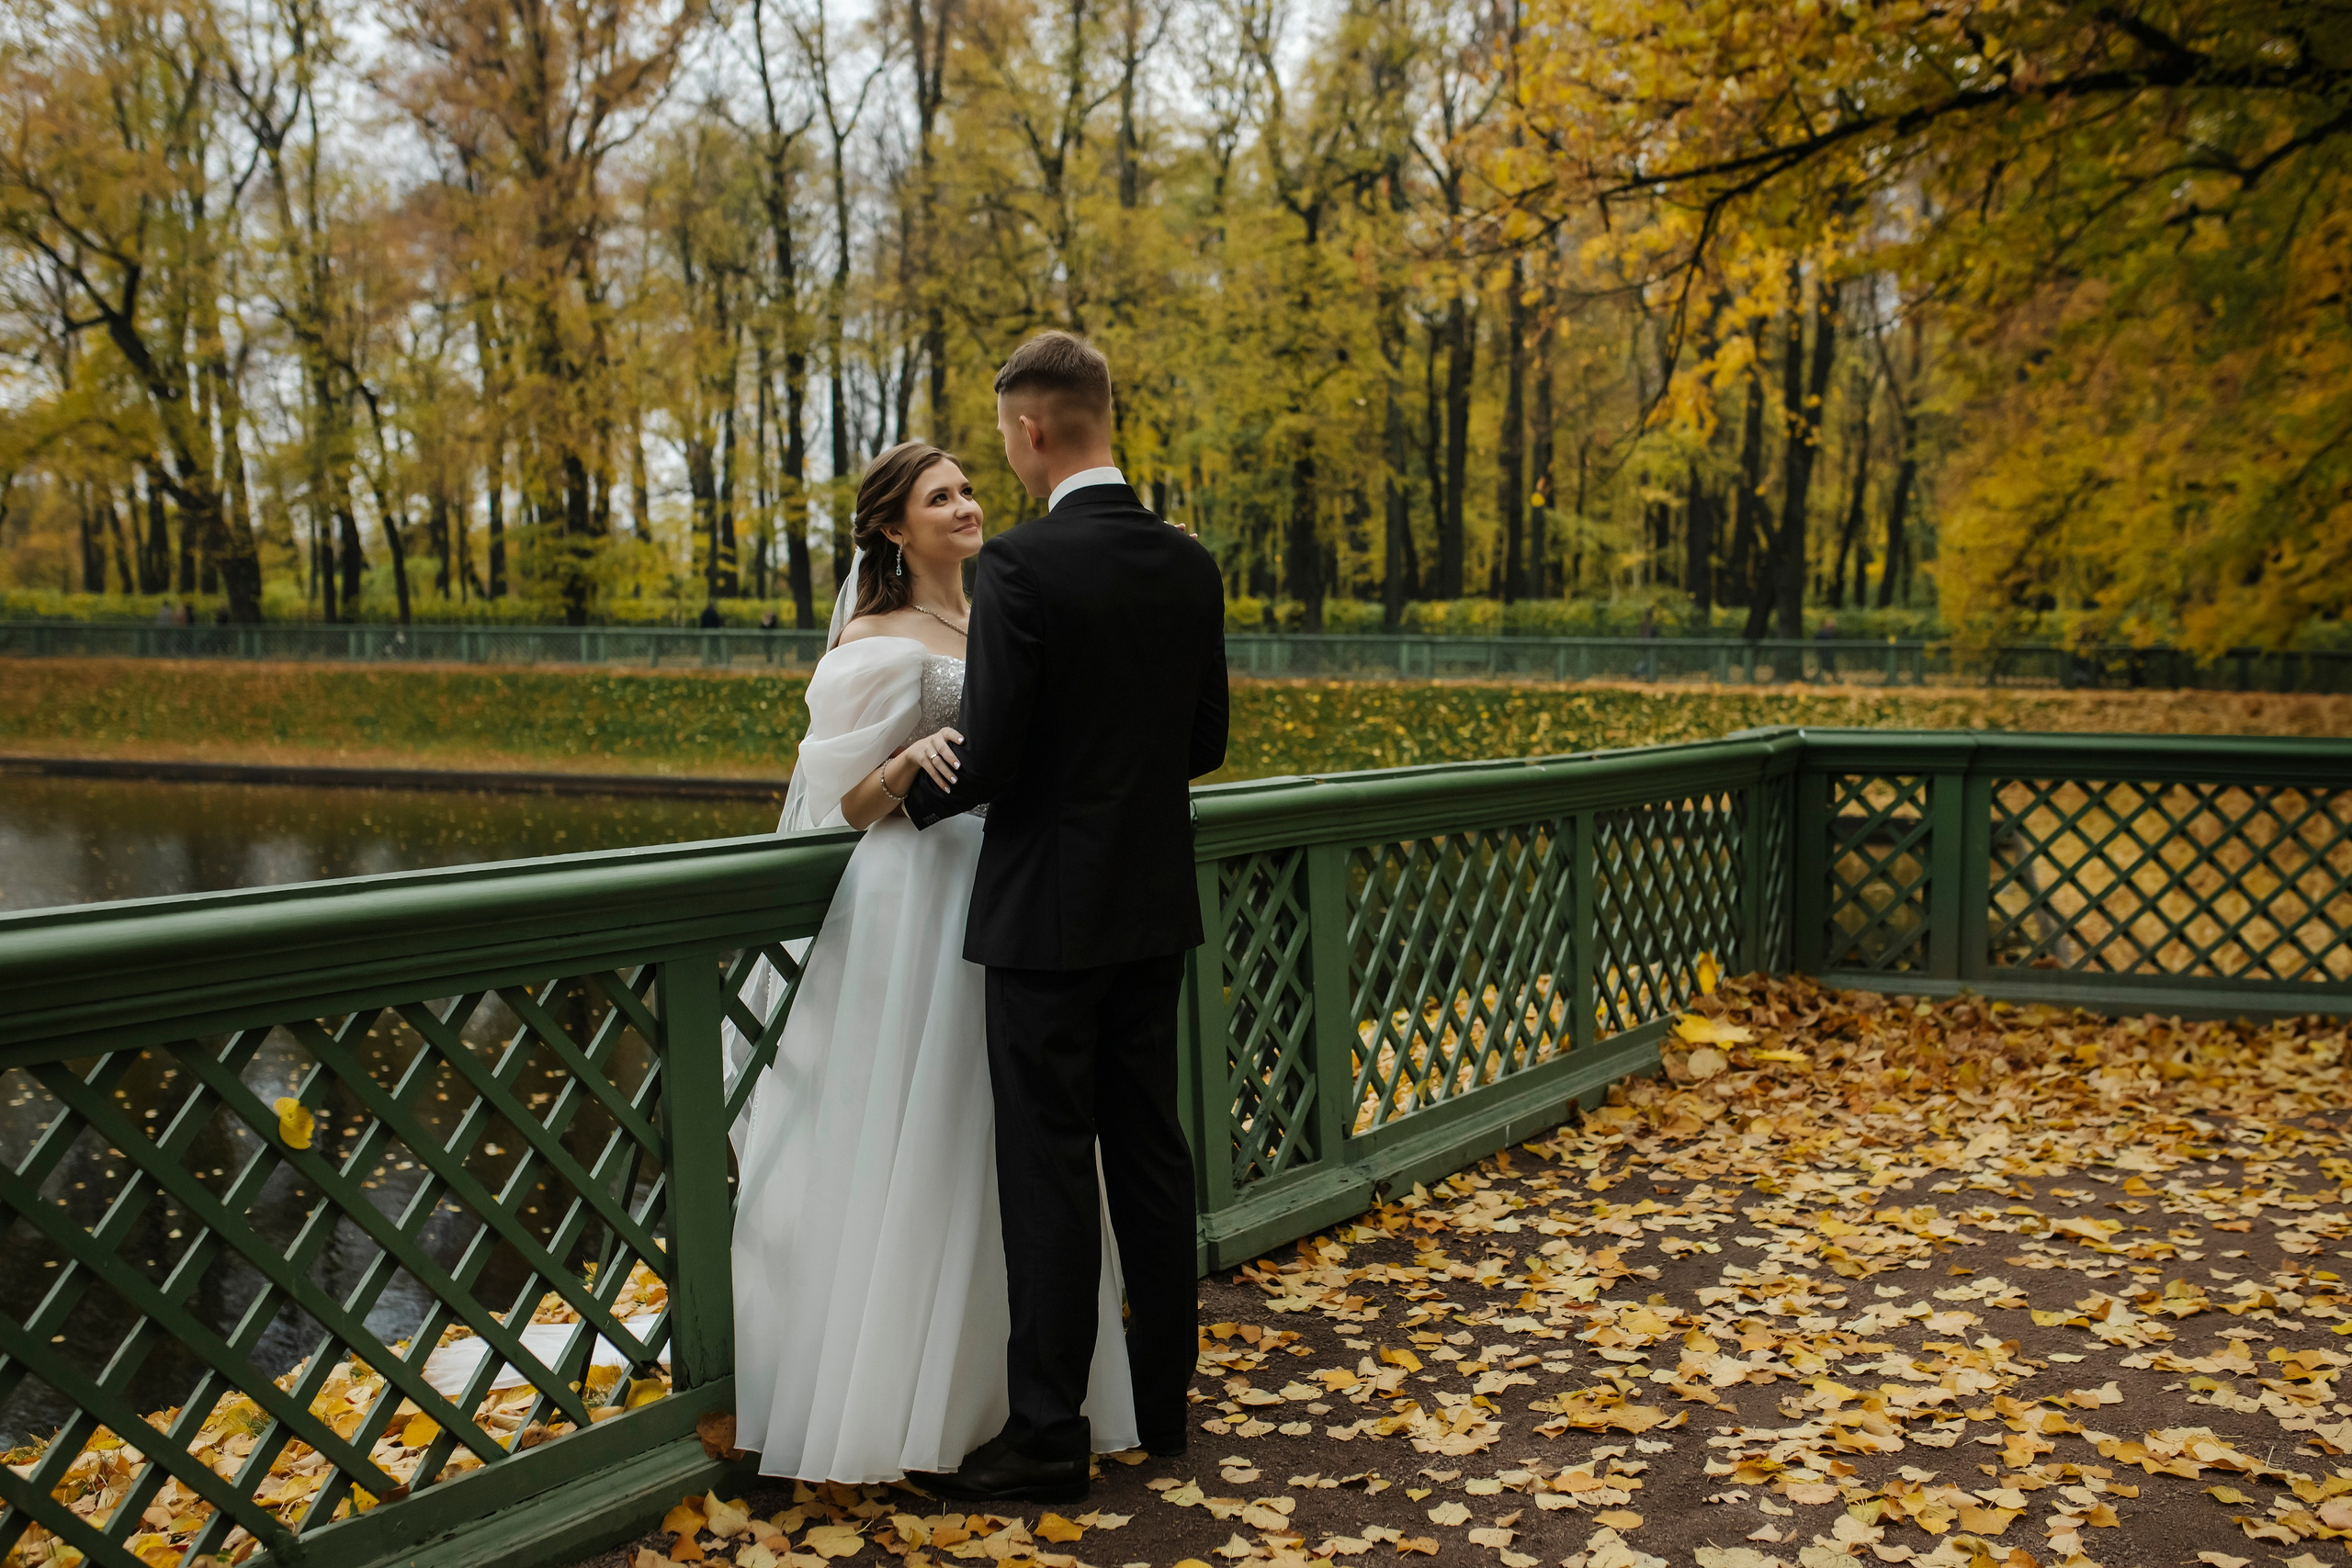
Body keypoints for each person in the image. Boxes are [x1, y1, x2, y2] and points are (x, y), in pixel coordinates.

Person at [727, 442, 1141, 1484]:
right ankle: (894, 1402)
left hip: (1013, 890)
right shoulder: (873, 639)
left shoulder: (999, 610)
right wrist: (905, 761)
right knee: (922, 1125)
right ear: (891, 527)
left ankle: (1015, 1399)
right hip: (916, 898)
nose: (966, 505)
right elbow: (842, 802)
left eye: (967, 488)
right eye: (939, 496)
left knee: (1007, 1138)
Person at [904, 331, 1228, 1505]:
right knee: (1149, 1150)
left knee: (1046, 1169)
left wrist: (903, 791)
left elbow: (988, 756)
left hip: (1044, 916)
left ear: (1032, 429)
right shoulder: (1187, 562)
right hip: (1151, 904)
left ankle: (1047, 1436)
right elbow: (1204, 744)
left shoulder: (1021, 568)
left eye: (1004, 435)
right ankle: (1162, 1406)